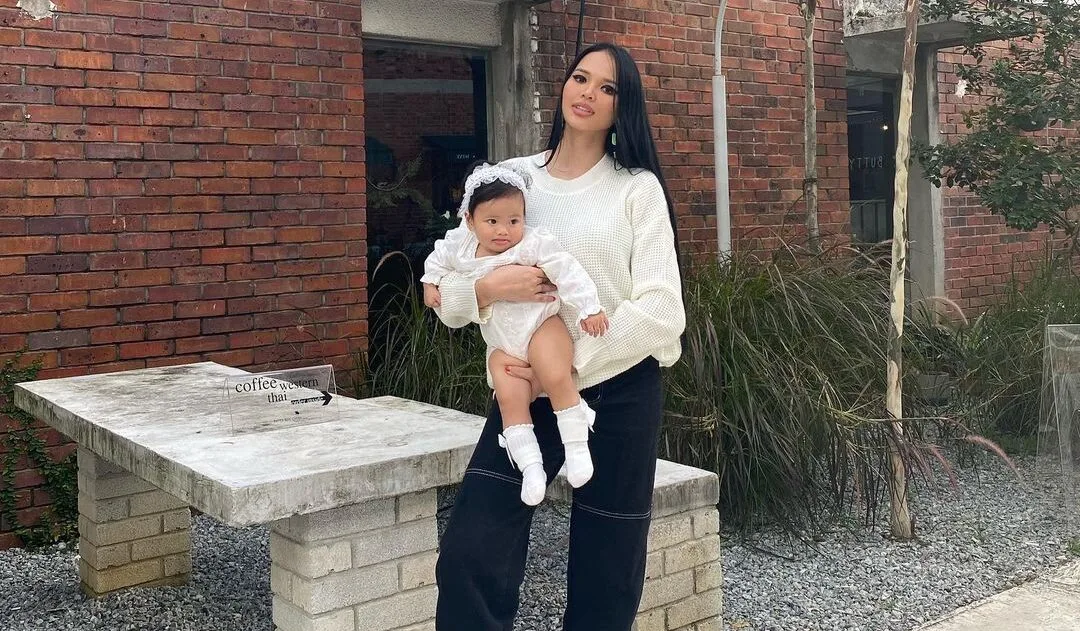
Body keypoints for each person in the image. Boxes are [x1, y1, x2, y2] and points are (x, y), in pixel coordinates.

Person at [432, 42, 686, 631]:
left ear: (622, 107)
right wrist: (490, 289)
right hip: (525, 393)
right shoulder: (511, 179)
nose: (588, 93)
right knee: (472, 548)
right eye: (580, 78)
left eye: (607, 87)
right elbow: (449, 289)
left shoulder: (636, 189)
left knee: (608, 568)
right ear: (564, 85)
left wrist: (565, 369)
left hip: (620, 388)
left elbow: (662, 310)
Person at [420, 161, 610, 506]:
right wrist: (430, 283)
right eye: (492, 222)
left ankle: (577, 447)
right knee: (509, 399)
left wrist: (589, 307)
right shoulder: (460, 246)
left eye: (514, 220)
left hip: (540, 325)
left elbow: (567, 270)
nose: (504, 231)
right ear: (470, 221)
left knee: (556, 374)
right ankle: (531, 467)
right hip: (503, 344)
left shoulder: (531, 243)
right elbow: (437, 259)